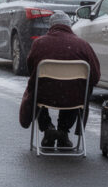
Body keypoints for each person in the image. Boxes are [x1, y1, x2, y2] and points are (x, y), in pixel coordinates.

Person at [19, 12, 101, 149]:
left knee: (35, 88)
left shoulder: (39, 44)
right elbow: (95, 77)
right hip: (74, 99)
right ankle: (63, 131)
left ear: (51, 27)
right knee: (76, 88)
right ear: (69, 26)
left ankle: (47, 128)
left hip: (45, 97)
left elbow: (31, 69)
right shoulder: (83, 45)